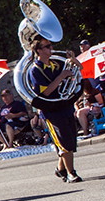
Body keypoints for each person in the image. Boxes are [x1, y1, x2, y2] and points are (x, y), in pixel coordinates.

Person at [28, 35, 83, 182]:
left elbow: (80, 69)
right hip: (51, 110)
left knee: (69, 140)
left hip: (65, 106)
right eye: (47, 46)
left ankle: (61, 169)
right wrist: (62, 77)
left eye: (51, 45)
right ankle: (71, 173)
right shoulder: (35, 70)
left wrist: (73, 60)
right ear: (38, 50)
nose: (51, 48)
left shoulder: (56, 64)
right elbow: (45, 92)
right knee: (64, 142)